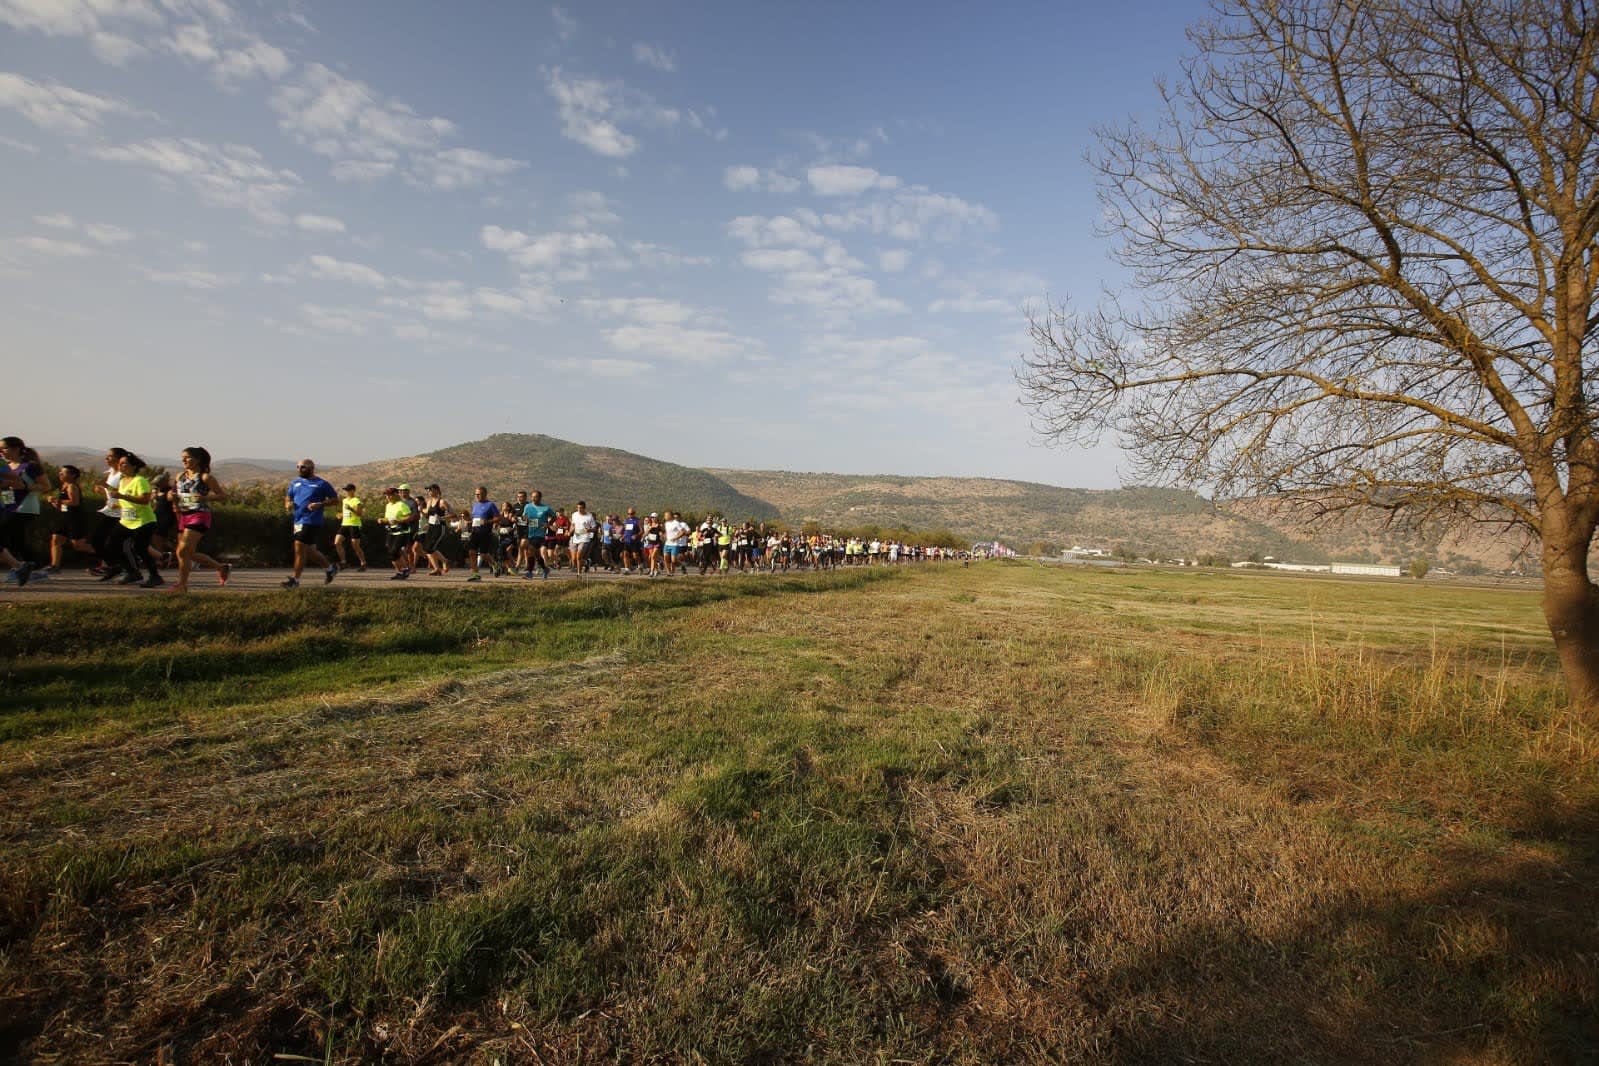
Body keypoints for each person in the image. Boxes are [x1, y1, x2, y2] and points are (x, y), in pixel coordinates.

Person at [169, 445, 230, 592]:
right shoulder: (180, 476)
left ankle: (182, 585)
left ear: (198, 460)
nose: (184, 460)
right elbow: (172, 494)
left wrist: (204, 498)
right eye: (182, 457)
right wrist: (174, 499)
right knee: (184, 552)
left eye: (187, 457)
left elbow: (222, 495)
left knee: (183, 550)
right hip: (183, 515)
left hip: (199, 515)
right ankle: (221, 567)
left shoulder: (205, 477)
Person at [101, 451, 162, 587]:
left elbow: (145, 500)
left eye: (124, 464)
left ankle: (155, 576)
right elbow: (124, 499)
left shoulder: (140, 481)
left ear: (133, 466)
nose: (121, 466)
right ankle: (132, 572)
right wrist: (114, 500)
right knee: (112, 544)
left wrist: (122, 497)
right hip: (127, 520)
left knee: (140, 548)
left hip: (143, 521)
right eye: (120, 464)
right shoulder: (123, 481)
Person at [1, 436, 50, 585]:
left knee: (11, 537)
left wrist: (26, 487)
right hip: (9, 506)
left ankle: (28, 566)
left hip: (25, 507)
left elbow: (46, 486)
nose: (1, 451)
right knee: (14, 540)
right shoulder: (7, 466)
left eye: (4, 448)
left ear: (15, 449)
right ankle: (26, 567)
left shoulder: (30, 466)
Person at [283, 458, 339, 588]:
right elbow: (288, 497)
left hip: (312, 521)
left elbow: (335, 500)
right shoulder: (295, 482)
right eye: (298, 467)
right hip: (298, 521)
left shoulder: (321, 484)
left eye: (303, 467)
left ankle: (295, 580)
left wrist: (320, 504)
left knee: (299, 547)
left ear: (311, 468)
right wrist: (288, 504)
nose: (299, 469)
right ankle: (331, 569)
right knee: (309, 551)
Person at [47, 464, 94, 573]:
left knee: (79, 546)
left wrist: (57, 500)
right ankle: (55, 566)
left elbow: (74, 502)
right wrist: (53, 502)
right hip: (65, 518)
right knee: (56, 540)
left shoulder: (72, 486)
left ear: (72, 475)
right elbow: (63, 506)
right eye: (60, 472)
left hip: (75, 519)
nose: (60, 474)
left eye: (64, 472)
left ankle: (109, 554)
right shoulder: (64, 486)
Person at [466, 486, 501, 581]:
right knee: (471, 552)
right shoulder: (475, 505)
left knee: (483, 554)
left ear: (485, 494)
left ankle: (495, 564)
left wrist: (487, 521)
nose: (477, 496)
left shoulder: (490, 505)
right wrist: (469, 522)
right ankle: (475, 574)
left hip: (485, 533)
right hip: (475, 532)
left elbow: (498, 518)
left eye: (479, 494)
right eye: (476, 494)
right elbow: (474, 518)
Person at [380, 486, 416, 579]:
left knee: (394, 551)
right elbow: (388, 519)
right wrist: (382, 520)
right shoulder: (388, 505)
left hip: (402, 532)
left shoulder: (401, 505)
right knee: (391, 553)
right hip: (391, 531)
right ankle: (400, 572)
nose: (388, 497)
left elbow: (410, 517)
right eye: (386, 495)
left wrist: (399, 521)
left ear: (396, 494)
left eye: (390, 495)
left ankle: (405, 569)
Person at [420, 484, 452, 576]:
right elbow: (426, 514)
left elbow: (453, 514)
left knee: (430, 548)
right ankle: (437, 569)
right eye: (428, 490)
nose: (429, 491)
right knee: (426, 549)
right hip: (431, 527)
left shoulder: (442, 502)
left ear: (437, 490)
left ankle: (445, 561)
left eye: (431, 489)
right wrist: (421, 510)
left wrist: (442, 518)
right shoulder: (429, 502)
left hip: (439, 527)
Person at [520, 489, 553, 579]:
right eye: (532, 497)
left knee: (530, 550)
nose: (534, 499)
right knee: (536, 554)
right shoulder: (528, 506)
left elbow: (554, 516)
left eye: (536, 497)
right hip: (530, 533)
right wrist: (524, 519)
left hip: (540, 534)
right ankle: (545, 568)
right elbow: (524, 517)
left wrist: (548, 524)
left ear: (540, 498)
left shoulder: (546, 508)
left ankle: (530, 573)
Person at [335, 484, 368, 571]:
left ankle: (363, 563)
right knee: (337, 542)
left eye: (348, 490)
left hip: (354, 525)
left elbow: (359, 514)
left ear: (353, 490)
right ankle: (343, 562)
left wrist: (351, 509)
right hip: (344, 524)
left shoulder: (356, 500)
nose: (347, 492)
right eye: (346, 490)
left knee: (355, 546)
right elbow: (345, 513)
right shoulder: (344, 500)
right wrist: (340, 515)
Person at [568, 500, 596, 575]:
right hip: (575, 537)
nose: (579, 509)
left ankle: (579, 574)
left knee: (578, 557)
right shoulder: (574, 514)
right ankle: (586, 562)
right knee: (573, 559)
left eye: (581, 508)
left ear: (584, 508)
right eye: (578, 508)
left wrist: (590, 529)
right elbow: (573, 525)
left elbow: (594, 528)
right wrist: (570, 531)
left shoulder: (589, 516)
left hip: (584, 538)